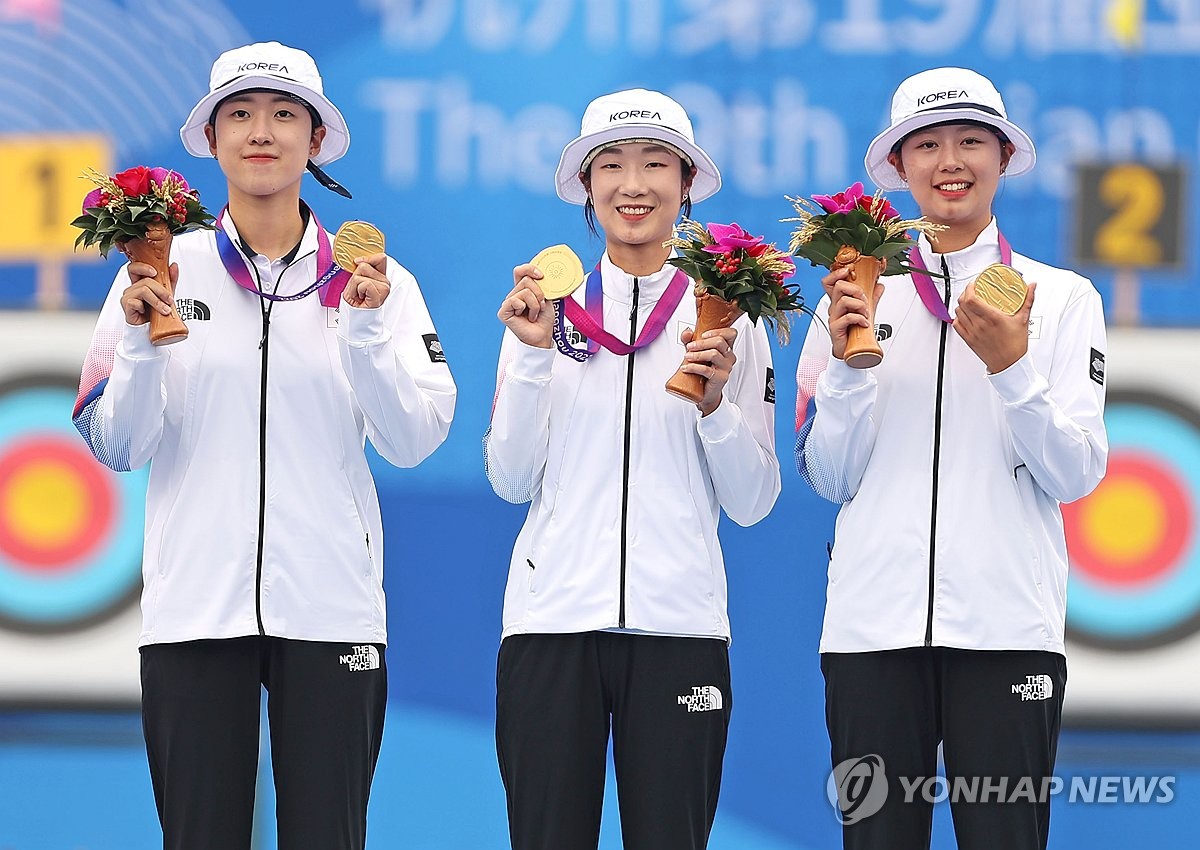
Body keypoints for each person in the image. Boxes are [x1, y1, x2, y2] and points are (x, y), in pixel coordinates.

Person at [72, 42, 456, 850]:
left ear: (316, 140)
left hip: (332, 610)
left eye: (286, 114)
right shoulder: (158, 268)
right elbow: (117, 445)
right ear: (210, 139)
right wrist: (141, 344)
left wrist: (363, 331)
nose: (262, 131)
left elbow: (415, 438)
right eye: (239, 113)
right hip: (192, 613)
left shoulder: (380, 282)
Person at [795, 67, 1108, 849]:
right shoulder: (853, 295)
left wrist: (1013, 368)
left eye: (972, 140)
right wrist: (845, 366)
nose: (951, 161)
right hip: (871, 634)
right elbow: (829, 477)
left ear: (1004, 156)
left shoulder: (1061, 298)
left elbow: (1075, 474)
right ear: (898, 169)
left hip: (1006, 633)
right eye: (927, 145)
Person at [484, 89, 780, 850]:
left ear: (686, 184)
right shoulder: (542, 310)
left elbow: (752, 502)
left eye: (655, 164)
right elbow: (511, 479)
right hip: (551, 629)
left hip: (679, 628)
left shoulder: (729, 318)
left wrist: (715, 409)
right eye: (610, 165)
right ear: (587, 186)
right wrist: (528, 355)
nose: (633, 184)